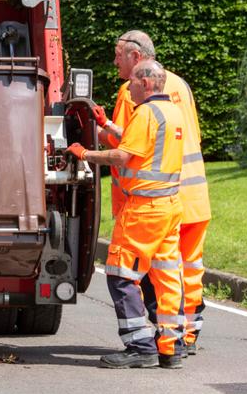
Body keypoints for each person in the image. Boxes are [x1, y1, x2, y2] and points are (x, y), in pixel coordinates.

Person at [94, 30, 212, 354]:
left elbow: (127, 145)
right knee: (184, 270)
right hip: (192, 196)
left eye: (118, 55)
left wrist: (93, 135)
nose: (115, 62)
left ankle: (149, 341)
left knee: (141, 273)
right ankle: (183, 337)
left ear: (135, 57)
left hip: (151, 198)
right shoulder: (180, 86)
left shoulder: (132, 91)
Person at [67, 59, 186, 369]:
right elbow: (140, 143)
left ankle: (140, 346)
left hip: (144, 210)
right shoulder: (172, 112)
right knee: (166, 276)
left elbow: (123, 156)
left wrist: (85, 154)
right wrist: (107, 124)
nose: (128, 87)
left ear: (145, 83)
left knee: (121, 274)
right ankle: (171, 347)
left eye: (131, 81)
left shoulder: (145, 113)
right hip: (169, 207)